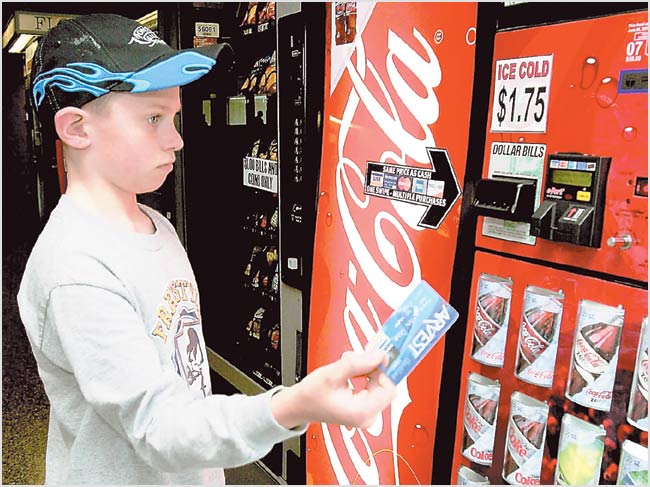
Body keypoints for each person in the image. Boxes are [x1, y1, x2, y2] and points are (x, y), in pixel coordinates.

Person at [17, 13, 396, 485]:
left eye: (172, 117)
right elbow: (158, 426)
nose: (176, 139)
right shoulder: (74, 269)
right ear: (75, 128)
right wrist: (291, 405)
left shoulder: (156, 226)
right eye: (152, 118)